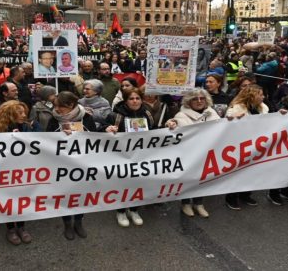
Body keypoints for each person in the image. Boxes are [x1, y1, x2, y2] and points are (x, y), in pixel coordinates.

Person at [45, 92, 97, 240]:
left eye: (60, 106)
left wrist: (76, 134)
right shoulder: (54, 119)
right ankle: (67, 223)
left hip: (82, 164)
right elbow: (47, 139)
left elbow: (94, 138)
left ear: (71, 105)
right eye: (55, 106)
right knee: (64, 195)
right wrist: (60, 134)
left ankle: (79, 221)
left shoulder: (86, 117)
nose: (57, 109)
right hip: (61, 165)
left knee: (81, 195)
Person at [0, 101, 36, 245]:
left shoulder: (25, 126)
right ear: (9, 114)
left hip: (22, 170)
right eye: (20, 112)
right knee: (7, 200)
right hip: (4, 172)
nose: (24, 115)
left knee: (20, 200)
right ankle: (10, 229)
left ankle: (21, 227)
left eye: (24, 112)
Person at [166, 88, 220, 218]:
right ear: (189, 101)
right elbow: (175, 126)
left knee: (203, 179)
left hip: (207, 154)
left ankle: (199, 203)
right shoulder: (182, 115)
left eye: (202, 98)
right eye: (195, 99)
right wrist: (171, 124)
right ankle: (186, 203)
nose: (199, 101)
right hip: (189, 156)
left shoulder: (212, 113)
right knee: (189, 180)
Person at [106, 87, 154, 227]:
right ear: (125, 101)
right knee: (122, 185)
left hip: (141, 157)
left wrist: (170, 125)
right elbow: (100, 130)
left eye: (137, 98)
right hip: (121, 157)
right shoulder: (115, 116)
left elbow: (155, 131)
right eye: (131, 98)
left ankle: (134, 210)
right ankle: (120, 211)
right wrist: (107, 129)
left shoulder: (147, 114)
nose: (134, 101)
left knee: (138, 185)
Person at [224, 84, 269, 210]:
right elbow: (227, 128)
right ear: (252, 95)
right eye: (260, 94)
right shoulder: (235, 109)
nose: (263, 97)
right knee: (237, 173)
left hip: (257, 146)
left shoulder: (264, 108)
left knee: (252, 172)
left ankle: (245, 195)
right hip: (240, 146)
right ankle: (231, 197)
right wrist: (233, 120)